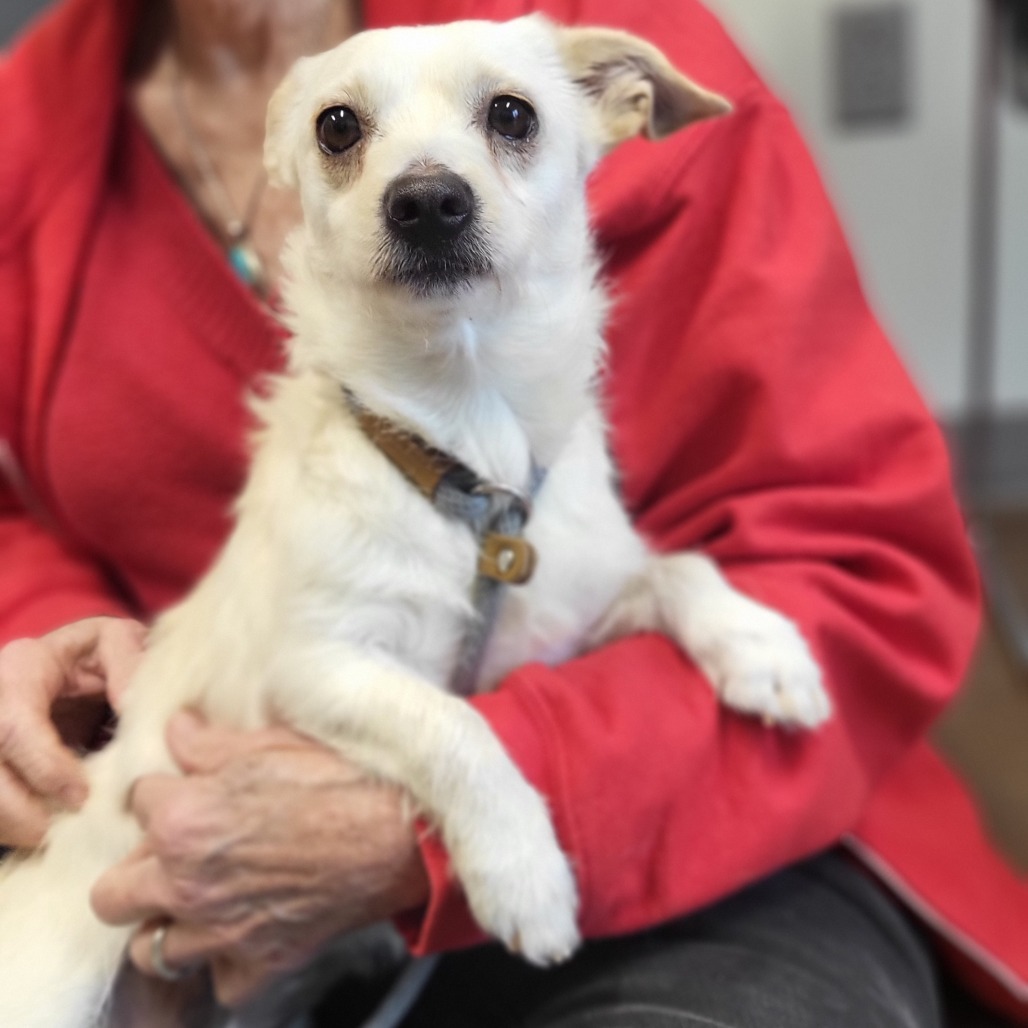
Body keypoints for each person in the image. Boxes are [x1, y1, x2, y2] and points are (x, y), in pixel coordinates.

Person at [0, 0, 1023, 1025]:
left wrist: (436, 820)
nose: (425, 194)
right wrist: (30, 625)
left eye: (508, 121)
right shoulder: (30, 123)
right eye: (344, 135)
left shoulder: (591, 32)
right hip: (163, 844)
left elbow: (862, 564)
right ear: (294, 159)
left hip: (696, 809)